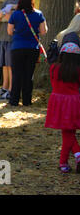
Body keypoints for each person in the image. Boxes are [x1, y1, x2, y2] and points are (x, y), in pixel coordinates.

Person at [44, 42, 80, 173]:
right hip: (74, 102)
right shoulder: (77, 70)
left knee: (67, 132)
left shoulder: (54, 68)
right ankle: (66, 161)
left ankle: (66, 161)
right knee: (69, 132)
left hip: (58, 102)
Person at [7, 0, 47, 106]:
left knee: (17, 74)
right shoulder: (38, 14)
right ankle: (26, 101)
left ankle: (14, 100)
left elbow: (9, 31)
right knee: (28, 75)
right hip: (32, 47)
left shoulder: (15, 14)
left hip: (17, 47)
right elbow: (43, 31)